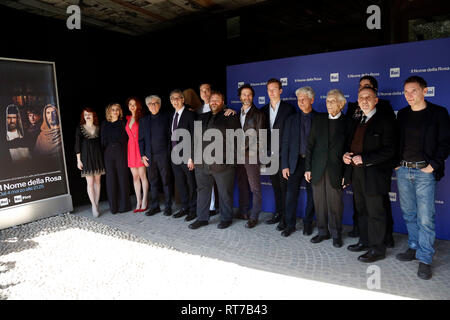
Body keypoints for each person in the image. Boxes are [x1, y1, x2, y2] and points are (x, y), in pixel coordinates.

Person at [395, 76, 450, 280]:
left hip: (424, 172)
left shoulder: (438, 113)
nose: (409, 95)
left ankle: (425, 258)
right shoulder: (402, 114)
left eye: (414, 91)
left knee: (426, 218)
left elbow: (445, 142)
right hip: (403, 170)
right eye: (406, 92)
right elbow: (396, 140)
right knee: (409, 213)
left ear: (425, 91)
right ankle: (414, 247)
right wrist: (397, 163)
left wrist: (432, 165)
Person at [343, 86, 395, 263]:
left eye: (368, 97)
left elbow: (390, 150)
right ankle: (364, 242)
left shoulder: (385, 121)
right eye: (361, 97)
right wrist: (346, 155)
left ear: (376, 100)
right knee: (362, 210)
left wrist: (365, 159)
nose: (364, 100)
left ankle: (377, 249)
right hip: (357, 174)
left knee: (375, 213)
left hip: (375, 175)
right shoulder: (357, 120)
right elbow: (352, 145)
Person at [188, 91, 241, 230]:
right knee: (202, 191)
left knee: (225, 193)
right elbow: (195, 140)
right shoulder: (201, 117)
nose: (214, 102)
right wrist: (192, 158)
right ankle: (202, 218)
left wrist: (231, 162)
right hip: (202, 164)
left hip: (223, 164)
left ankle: (226, 218)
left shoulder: (230, 116)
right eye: (212, 100)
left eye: (217, 99)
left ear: (223, 102)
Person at [305, 89, 349, 248]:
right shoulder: (319, 119)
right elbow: (310, 146)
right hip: (317, 169)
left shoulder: (348, 122)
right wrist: (308, 168)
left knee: (335, 204)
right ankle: (323, 232)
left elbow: (351, 149)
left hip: (336, 170)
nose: (329, 104)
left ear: (341, 104)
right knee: (319, 203)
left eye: (332, 101)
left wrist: (347, 174)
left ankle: (336, 234)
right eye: (327, 101)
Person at [280, 86, 317, 237]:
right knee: (290, 196)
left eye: (304, 99)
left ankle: (308, 223)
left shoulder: (319, 119)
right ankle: (290, 224)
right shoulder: (291, 120)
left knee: (312, 195)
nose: (300, 102)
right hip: (294, 163)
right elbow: (285, 143)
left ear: (312, 100)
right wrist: (284, 165)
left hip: (313, 163)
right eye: (298, 99)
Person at [261, 78, 295, 230]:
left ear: (280, 91)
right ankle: (278, 214)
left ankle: (286, 219)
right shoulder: (262, 110)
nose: (272, 92)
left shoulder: (289, 109)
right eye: (269, 89)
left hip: (284, 156)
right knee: (275, 186)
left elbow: (292, 135)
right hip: (270, 156)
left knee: (285, 188)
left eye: (274, 89)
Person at [235, 84, 266, 228]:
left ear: (252, 97)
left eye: (249, 95)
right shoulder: (237, 114)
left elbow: (261, 138)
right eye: (244, 95)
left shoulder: (258, 114)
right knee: (242, 184)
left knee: (255, 187)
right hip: (238, 155)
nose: (246, 97)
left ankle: (254, 216)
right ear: (240, 97)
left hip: (251, 155)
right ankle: (243, 211)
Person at [139, 95, 173, 216]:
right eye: (150, 104)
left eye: (156, 103)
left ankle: (168, 206)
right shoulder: (143, 121)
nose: (153, 106)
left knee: (166, 181)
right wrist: (142, 155)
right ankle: (155, 206)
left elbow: (171, 136)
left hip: (163, 154)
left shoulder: (167, 117)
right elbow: (141, 140)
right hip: (149, 156)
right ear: (147, 106)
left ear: (160, 104)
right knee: (153, 182)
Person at [169, 89, 197, 221]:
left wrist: (192, 157)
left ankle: (193, 210)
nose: (175, 101)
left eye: (178, 98)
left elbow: (194, 136)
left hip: (187, 157)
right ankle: (184, 207)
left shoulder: (190, 115)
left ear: (183, 99)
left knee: (191, 184)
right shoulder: (172, 116)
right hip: (175, 156)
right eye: (173, 99)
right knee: (181, 184)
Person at [101, 103, 131, 214]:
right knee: (110, 180)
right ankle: (113, 207)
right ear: (109, 112)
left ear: (120, 111)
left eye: (117, 109)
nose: (115, 112)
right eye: (113, 110)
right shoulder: (104, 124)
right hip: (108, 152)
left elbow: (126, 139)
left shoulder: (123, 123)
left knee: (122, 178)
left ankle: (124, 206)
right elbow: (103, 140)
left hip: (121, 152)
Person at [75, 108, 105, 217]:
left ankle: (96, 204)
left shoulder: (98, 128)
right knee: (90, 182)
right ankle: (93, 205)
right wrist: (78, 160)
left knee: (98, 181)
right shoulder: (80, 128)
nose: (87, 116)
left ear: (93, 116)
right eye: (85, 114)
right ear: (83, 116)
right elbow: (77, 145)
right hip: (86, 158)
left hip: (97, 157)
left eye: (89, 114)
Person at [198, 83, 219, 216]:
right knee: (205, 182)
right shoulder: (197, 111)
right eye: (202, 91)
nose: (204, 93)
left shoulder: (220, 108)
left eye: (207, 90)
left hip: (217, 150)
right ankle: (209, 207)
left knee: (218, 181)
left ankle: (217, 206)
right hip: (202, 151)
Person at [125, 97, 148, 213]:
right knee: (135, 177)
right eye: (130, 104)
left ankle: (145, 200)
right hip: (130, 149)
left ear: (138, 105)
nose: (132, 106)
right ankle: (138, 201)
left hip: (139, 148)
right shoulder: (128, 119)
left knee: (143, 176)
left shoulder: (142, 118)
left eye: (134, 104)